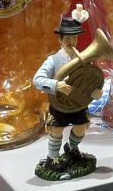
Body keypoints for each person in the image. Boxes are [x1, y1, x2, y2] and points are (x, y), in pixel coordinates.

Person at [34, 11, 97, 181]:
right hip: (59, 104)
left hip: (77, 104)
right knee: (56, 130)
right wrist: (56, 85)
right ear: (60, 40)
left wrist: (94, 92)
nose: (71, 42)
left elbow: (89, 82)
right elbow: (37, 80)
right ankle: (52, 158)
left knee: (81, 128)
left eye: (74, 38)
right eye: (67, 38)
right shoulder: (53, 60)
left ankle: (72, 148)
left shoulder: (84, 60)